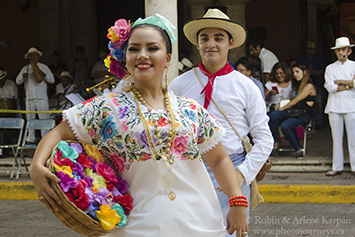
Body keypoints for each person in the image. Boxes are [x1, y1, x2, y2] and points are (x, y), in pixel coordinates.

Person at [29, 14, 249, 237]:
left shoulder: (190, 110)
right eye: (134, 49)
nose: (142, 55)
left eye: (152, 48)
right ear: (124, 57)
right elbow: (58, 133)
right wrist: (36, 166)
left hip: (200, 224)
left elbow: (219, 158)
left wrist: (237, 200)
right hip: (137, 228)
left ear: (168, 57)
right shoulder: (106, 108)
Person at [168, 9, 273, 236]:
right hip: (189, 171)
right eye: (204, 38)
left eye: (218, 38)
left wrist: (241, 174)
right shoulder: (179, 84)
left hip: (234, 170)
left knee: (231, 232)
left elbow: (264, 139)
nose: (211, 44)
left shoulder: (246, 86)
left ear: (230, 42)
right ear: (197, 43)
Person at [268, 64, 316, 158]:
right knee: (273, 115)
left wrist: (281, 108)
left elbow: (295, 101)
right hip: (293, 113)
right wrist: (280, 104)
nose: (295, 74)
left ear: (304, 72)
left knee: (285, 126)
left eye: (297, 72)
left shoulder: (309, 86)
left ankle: (298, 149)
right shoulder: (296, 86)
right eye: (293, 72)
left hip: (303, 114)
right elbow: (290, 100)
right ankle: (276, 142)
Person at [324, 37, 355, 176]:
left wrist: (342, 82)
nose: (341, 52)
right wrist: (349, 84)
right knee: (336, 138)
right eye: (338, 50)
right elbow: (330, 87)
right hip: (334, 106)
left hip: (351, 105)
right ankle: (337, 166)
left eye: (343, 49)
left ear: (349, 51)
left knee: (353, 138)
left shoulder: (354, 65)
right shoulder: (330, 68)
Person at [16, 47, 55, 144]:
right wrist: (22, 76)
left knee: (44, 119)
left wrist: (43, 74)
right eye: (31, 55)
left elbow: (52, 80)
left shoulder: (44, 67)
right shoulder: (25, 68)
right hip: (29, 98)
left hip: (41, 98)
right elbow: (17, 81)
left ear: (38, 57)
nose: (33, 57)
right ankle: (30, 139)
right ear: (28, 57)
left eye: (35, 55)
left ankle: (45, 140)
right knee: (30, 119)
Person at [298, 41, 326, 129]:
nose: (310, 51)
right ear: (305, 50)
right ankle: (307, 123)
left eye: (312, 49)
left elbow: (322, 70)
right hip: (303, 84)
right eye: (308, 49)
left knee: (319, 102)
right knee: (304, 103)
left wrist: (312, 72)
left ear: (315, 50)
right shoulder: (302, 58)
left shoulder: (318, 58)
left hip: (316, 82)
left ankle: (319, 122)